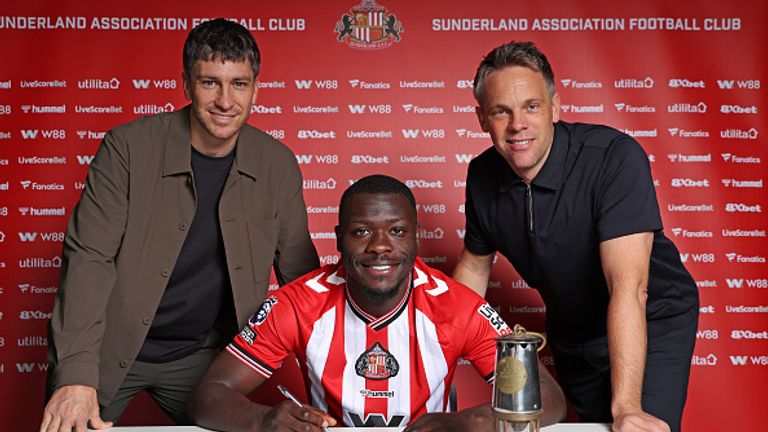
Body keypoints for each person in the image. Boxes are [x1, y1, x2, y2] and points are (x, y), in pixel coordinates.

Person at [41, 18, 319, 432]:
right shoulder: (127, 149)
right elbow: (89, 259)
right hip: (107, 348)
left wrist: (342, 369)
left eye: (239, 84)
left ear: (255, 89)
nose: (225, 101)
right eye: (210, 83)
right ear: (187, 85)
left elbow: (303, 281)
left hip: (201, 356)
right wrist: (77, 373)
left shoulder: (277, 164)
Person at [189, 174, 566, 431]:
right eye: (361, 231)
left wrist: (471, 423)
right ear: (339, 239)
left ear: (416, 237)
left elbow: (548, 398)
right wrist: (261, 421)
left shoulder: (455, 306)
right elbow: (209, 394)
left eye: (397, 231)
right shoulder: (298, 304)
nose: (380, 246)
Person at [452, 41, 699, 432]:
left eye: (532, 106)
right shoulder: (481, 175)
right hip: (572, 331)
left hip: (651, 320)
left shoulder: (613, 157)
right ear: (482, 118)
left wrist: (627, 406)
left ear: (555, 107)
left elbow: (628, 288)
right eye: (501, 111)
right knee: (591, 428)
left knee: (634, 426)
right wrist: (434, 362)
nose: (518, 124)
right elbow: (474, 269)